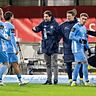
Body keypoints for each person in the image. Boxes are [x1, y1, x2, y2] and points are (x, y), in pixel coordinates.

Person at [56, 9, 84, 85]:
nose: (67, 17)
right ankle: (70, 80)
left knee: (79, 63)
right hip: (67, 47)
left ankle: (81, 79)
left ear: (73, 16)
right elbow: (58, 36)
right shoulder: (63, 25)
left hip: (77, 47)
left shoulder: (79, 25)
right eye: (67, 16)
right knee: (68, 64)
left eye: (69, 16)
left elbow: (83, 35)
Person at [32, 10, 59, 84]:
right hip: (46, 46)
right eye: (44, 16)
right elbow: (38, 28)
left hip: (53, 47)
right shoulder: (43, 23)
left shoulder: (55, 24)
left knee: (55, 64)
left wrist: (55, 42)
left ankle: (55, 79)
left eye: (46, 16)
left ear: (50, 16)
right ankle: (49, 80)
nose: (45, 18)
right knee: (48, 64)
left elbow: (59, 35)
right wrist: (34, 29)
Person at [4, 11, 28, 86]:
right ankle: (20, 80)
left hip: (4, 48)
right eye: (13, 17)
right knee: (15, 64)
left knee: (4, 64)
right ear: (11, 17)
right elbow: (12, 38)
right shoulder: (11, 26)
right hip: (10, 48)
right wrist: (16, 48)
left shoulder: (2, 25)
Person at [69, 13, 90, 86]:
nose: (84, 20)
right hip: (76, 48)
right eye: (83, 19)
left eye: (85, 19)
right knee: (85, 63)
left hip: (81, 48)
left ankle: (74, 81)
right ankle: (86, 81)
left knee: (78, 64)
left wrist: (88, 48)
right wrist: (79, 40)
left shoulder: (84, 28)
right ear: (80, 18)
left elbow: (85, 39)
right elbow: (70, 36)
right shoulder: (76, 26)